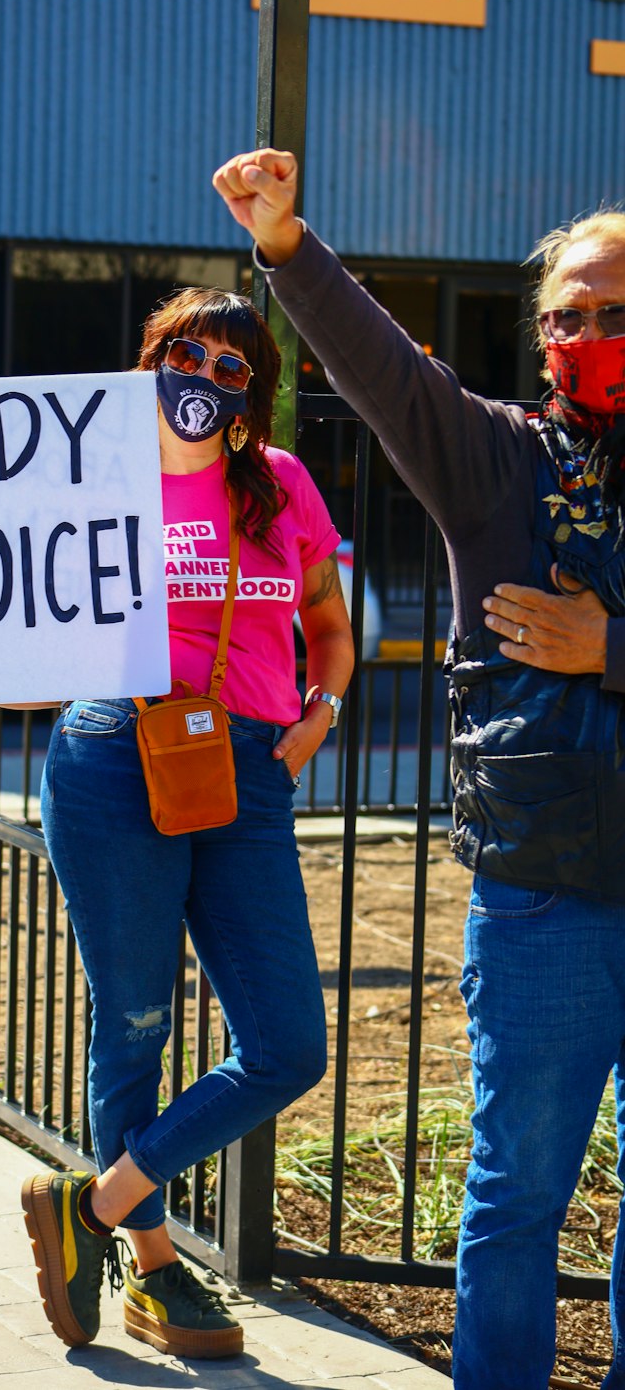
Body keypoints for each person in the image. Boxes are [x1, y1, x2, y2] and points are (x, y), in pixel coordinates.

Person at [213, 147, 625, 1390]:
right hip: (544, 893)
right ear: (540, 334)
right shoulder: (492, 459)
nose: (588, 333)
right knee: (513, 1190)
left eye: (615, 313)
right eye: (568, 314)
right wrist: (287, 247)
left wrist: (610, 645)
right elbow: (382, 366)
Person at [0, 285, 354, 1359]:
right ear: (148, 361)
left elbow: (326, 625)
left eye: (230, 368)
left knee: (286, 1044)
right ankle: (153, 1270)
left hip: (245, 773)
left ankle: (88, 1208)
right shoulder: (84, 480)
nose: (201, 377)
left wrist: (320, 713)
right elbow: (27, 646)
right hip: (110, 758)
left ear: (252, 398)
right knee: (134, 1021)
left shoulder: (277, 488)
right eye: (182, 353)